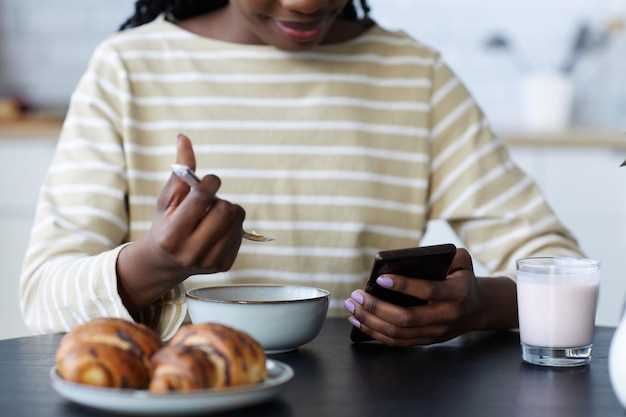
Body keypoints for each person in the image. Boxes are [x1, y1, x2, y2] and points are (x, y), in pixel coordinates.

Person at [19, 0, 584, 345]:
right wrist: (154, 264)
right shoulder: (125, 69)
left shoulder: (418, 78)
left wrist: (477, 306)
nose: (305, 3)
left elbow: (562, 271)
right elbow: (44, 298)